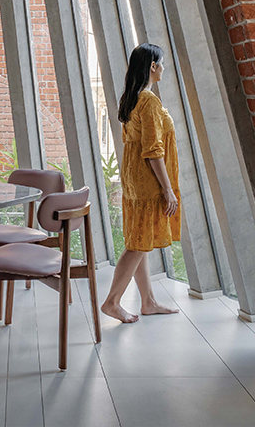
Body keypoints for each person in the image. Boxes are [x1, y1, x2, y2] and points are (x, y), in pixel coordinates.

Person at [101, 43, 181, 323]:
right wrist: (168, 189)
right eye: (162, 63)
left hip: (133, 179)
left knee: (140, 239)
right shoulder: (148, 101)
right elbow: (153, 150)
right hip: (148, 183)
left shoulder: (131, 97)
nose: (164, 68)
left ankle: (148, 302)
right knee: (138, 243)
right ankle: (112, 302)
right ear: (152, 67)